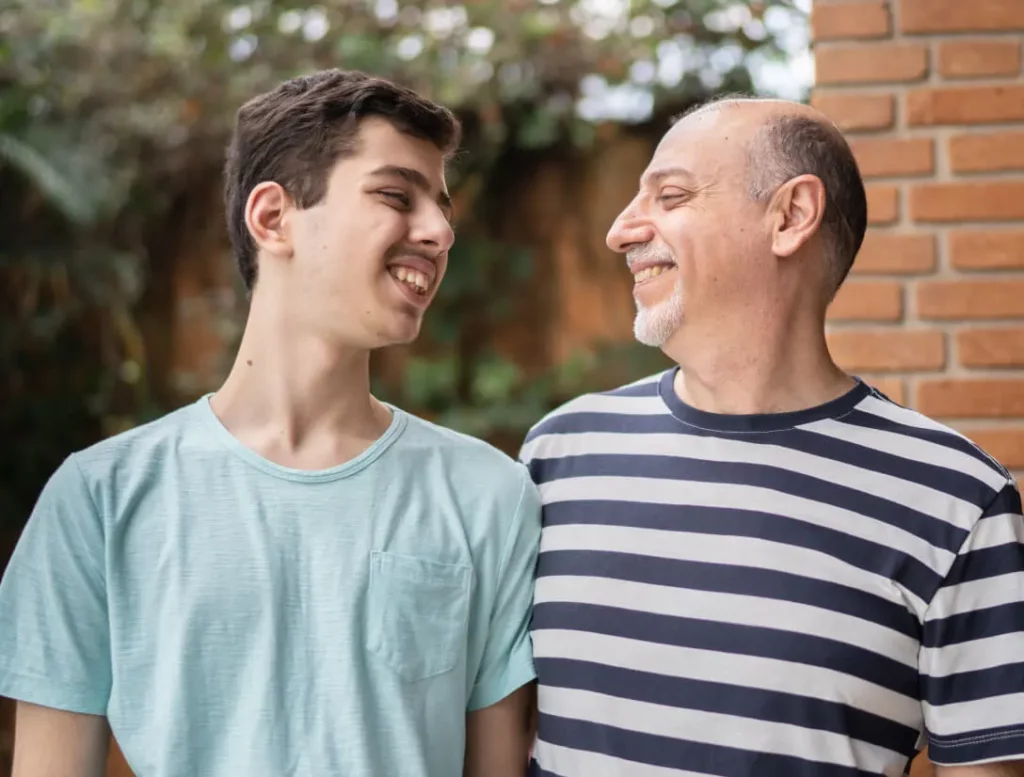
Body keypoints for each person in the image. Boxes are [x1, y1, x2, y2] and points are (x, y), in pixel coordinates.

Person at [0, 69, 540, 777]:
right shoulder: (99, 499)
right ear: (273, 217)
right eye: (394, 195)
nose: (440, 231)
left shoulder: (489, 495)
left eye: (441, 208)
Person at [519, 96, 1024, 777]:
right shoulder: (558, 455)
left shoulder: (960, 501)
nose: (620, 230)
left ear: (789, 216)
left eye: (670, 195)